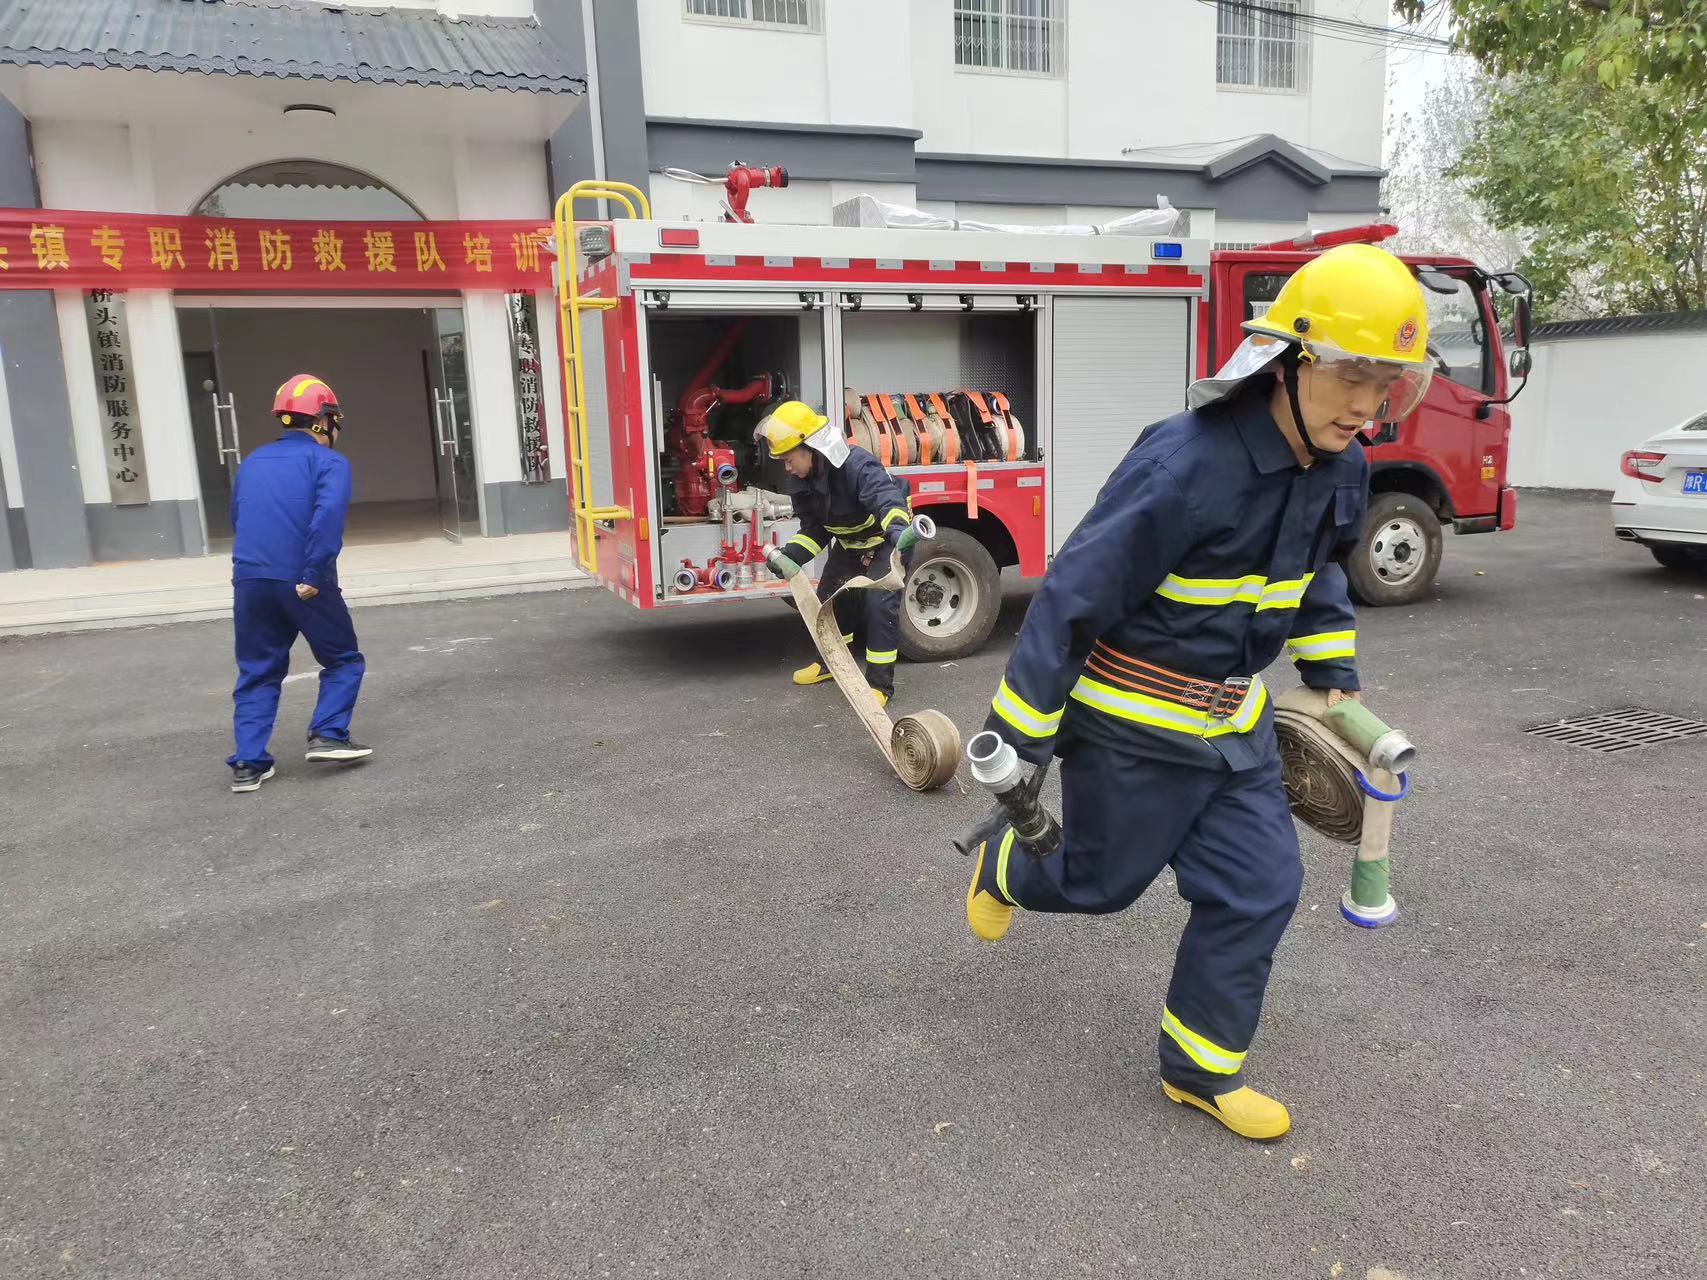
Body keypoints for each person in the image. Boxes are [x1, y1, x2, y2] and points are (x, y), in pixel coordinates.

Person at [965, 243, 1432, 1140]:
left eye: (1388, 382)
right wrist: (1017, 740)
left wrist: (1330, 671)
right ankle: (1005, 866)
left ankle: (1198, 1072)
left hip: (1236, 731)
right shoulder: (1182, 463)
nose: (1369, 404)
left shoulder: (1342, 466)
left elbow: (1318, 571)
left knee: (1260, 887)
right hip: (1132, 725)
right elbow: (1072, 599)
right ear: (1288, 362)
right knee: (1101, 885)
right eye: (1351, 376)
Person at [226, 374, 373, 793]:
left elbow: (239, 519)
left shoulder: (252, 461)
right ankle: (328, 735)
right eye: (335, 421)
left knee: (257, 670)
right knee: (343, 659)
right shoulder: (329, 463)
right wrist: (312, 575)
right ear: (324, 420)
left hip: (250, 579)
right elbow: (326, 522)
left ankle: (248, 765)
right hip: (303, 580)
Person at [757, 400, 913, 707]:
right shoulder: (800, 482)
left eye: (789, 460)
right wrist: (791, 556)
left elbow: (885, 499)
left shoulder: (856, 466)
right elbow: (816, 529)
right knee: (828, 599)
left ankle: (879, 685)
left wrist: (899, 532)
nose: (787, 468)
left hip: (886, 542)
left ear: (811, 449)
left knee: (879, 605)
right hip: (850, 545)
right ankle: (831, 664)